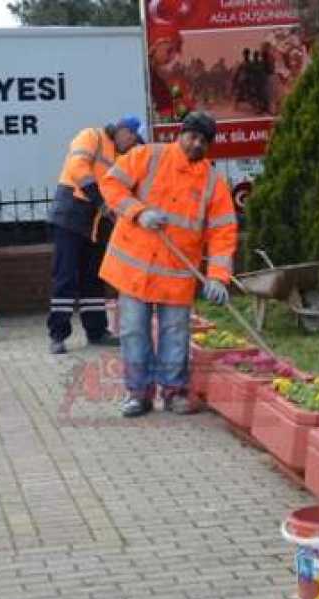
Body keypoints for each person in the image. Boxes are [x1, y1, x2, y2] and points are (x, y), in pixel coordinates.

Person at [98, 111, 239, 417]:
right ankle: (138, 394)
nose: (197, 144)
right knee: (134, 331)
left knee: (175, 334)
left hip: (176, 274)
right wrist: (138, 212)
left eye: (204, 141)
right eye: (193, 137)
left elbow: (223, 232)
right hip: (135, 269)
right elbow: (111, 184)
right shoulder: (148, 156)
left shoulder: (213, 183)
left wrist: (218, 277)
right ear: (181, 134)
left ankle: (174, 392)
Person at [46, 117, 142, 354]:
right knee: (65, 276)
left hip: (95, 223)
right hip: (70, 215)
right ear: (123, 131)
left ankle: (97, 331)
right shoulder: (91, 136)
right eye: (131, 139)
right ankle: (57, 335)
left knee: (93, 278)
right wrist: (101, 202)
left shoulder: (121, 155)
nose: (132, 145)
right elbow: (78, 168)